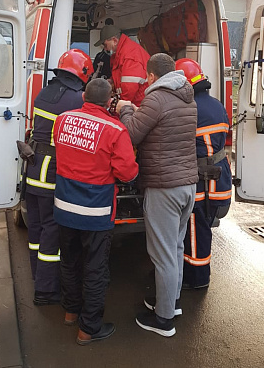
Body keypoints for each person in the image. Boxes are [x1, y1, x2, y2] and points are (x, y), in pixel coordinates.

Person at [116, 53, 198, 338]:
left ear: (151, 76)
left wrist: (126, 109)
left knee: (162, 255)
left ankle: (164, 321)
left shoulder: (156, 98)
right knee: (175, 248)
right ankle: (171, 304)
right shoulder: (187, 98)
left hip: (165, 188)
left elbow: (131, 135)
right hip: (187, 185)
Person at [53, 78, 139, 345]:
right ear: (109, 102)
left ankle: (70, 312)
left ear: (84, 98)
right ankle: (88, 329)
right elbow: (127, 172)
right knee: (95, 270)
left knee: (69, 261)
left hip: (64, 207)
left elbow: (61, 151)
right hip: (96, 211)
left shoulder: (63, 120)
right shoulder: (115, 130)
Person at [25, 49, 93, 306]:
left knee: (36, 231)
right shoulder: (76, 99)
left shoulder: (46, 92)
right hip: (51, 174)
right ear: (82, 74)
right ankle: (46, 291)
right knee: (52, 235)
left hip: (33, 169)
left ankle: (38, 278)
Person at [175, 58, 232, 290]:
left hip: (202, 183)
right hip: (219, 179)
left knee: (196, 231)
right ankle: (192, 272)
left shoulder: (190, 109)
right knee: (200, 228)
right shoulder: (217, 105)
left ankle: (197, 279)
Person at [94, 24, 150, 106]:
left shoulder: (130, 56)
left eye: (105, 45)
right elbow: (119, 75)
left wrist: (118, 107)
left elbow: (129, 89)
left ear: (115, 41)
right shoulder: (121, 54)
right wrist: (112, 82)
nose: (105, 49)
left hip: (138, 107)